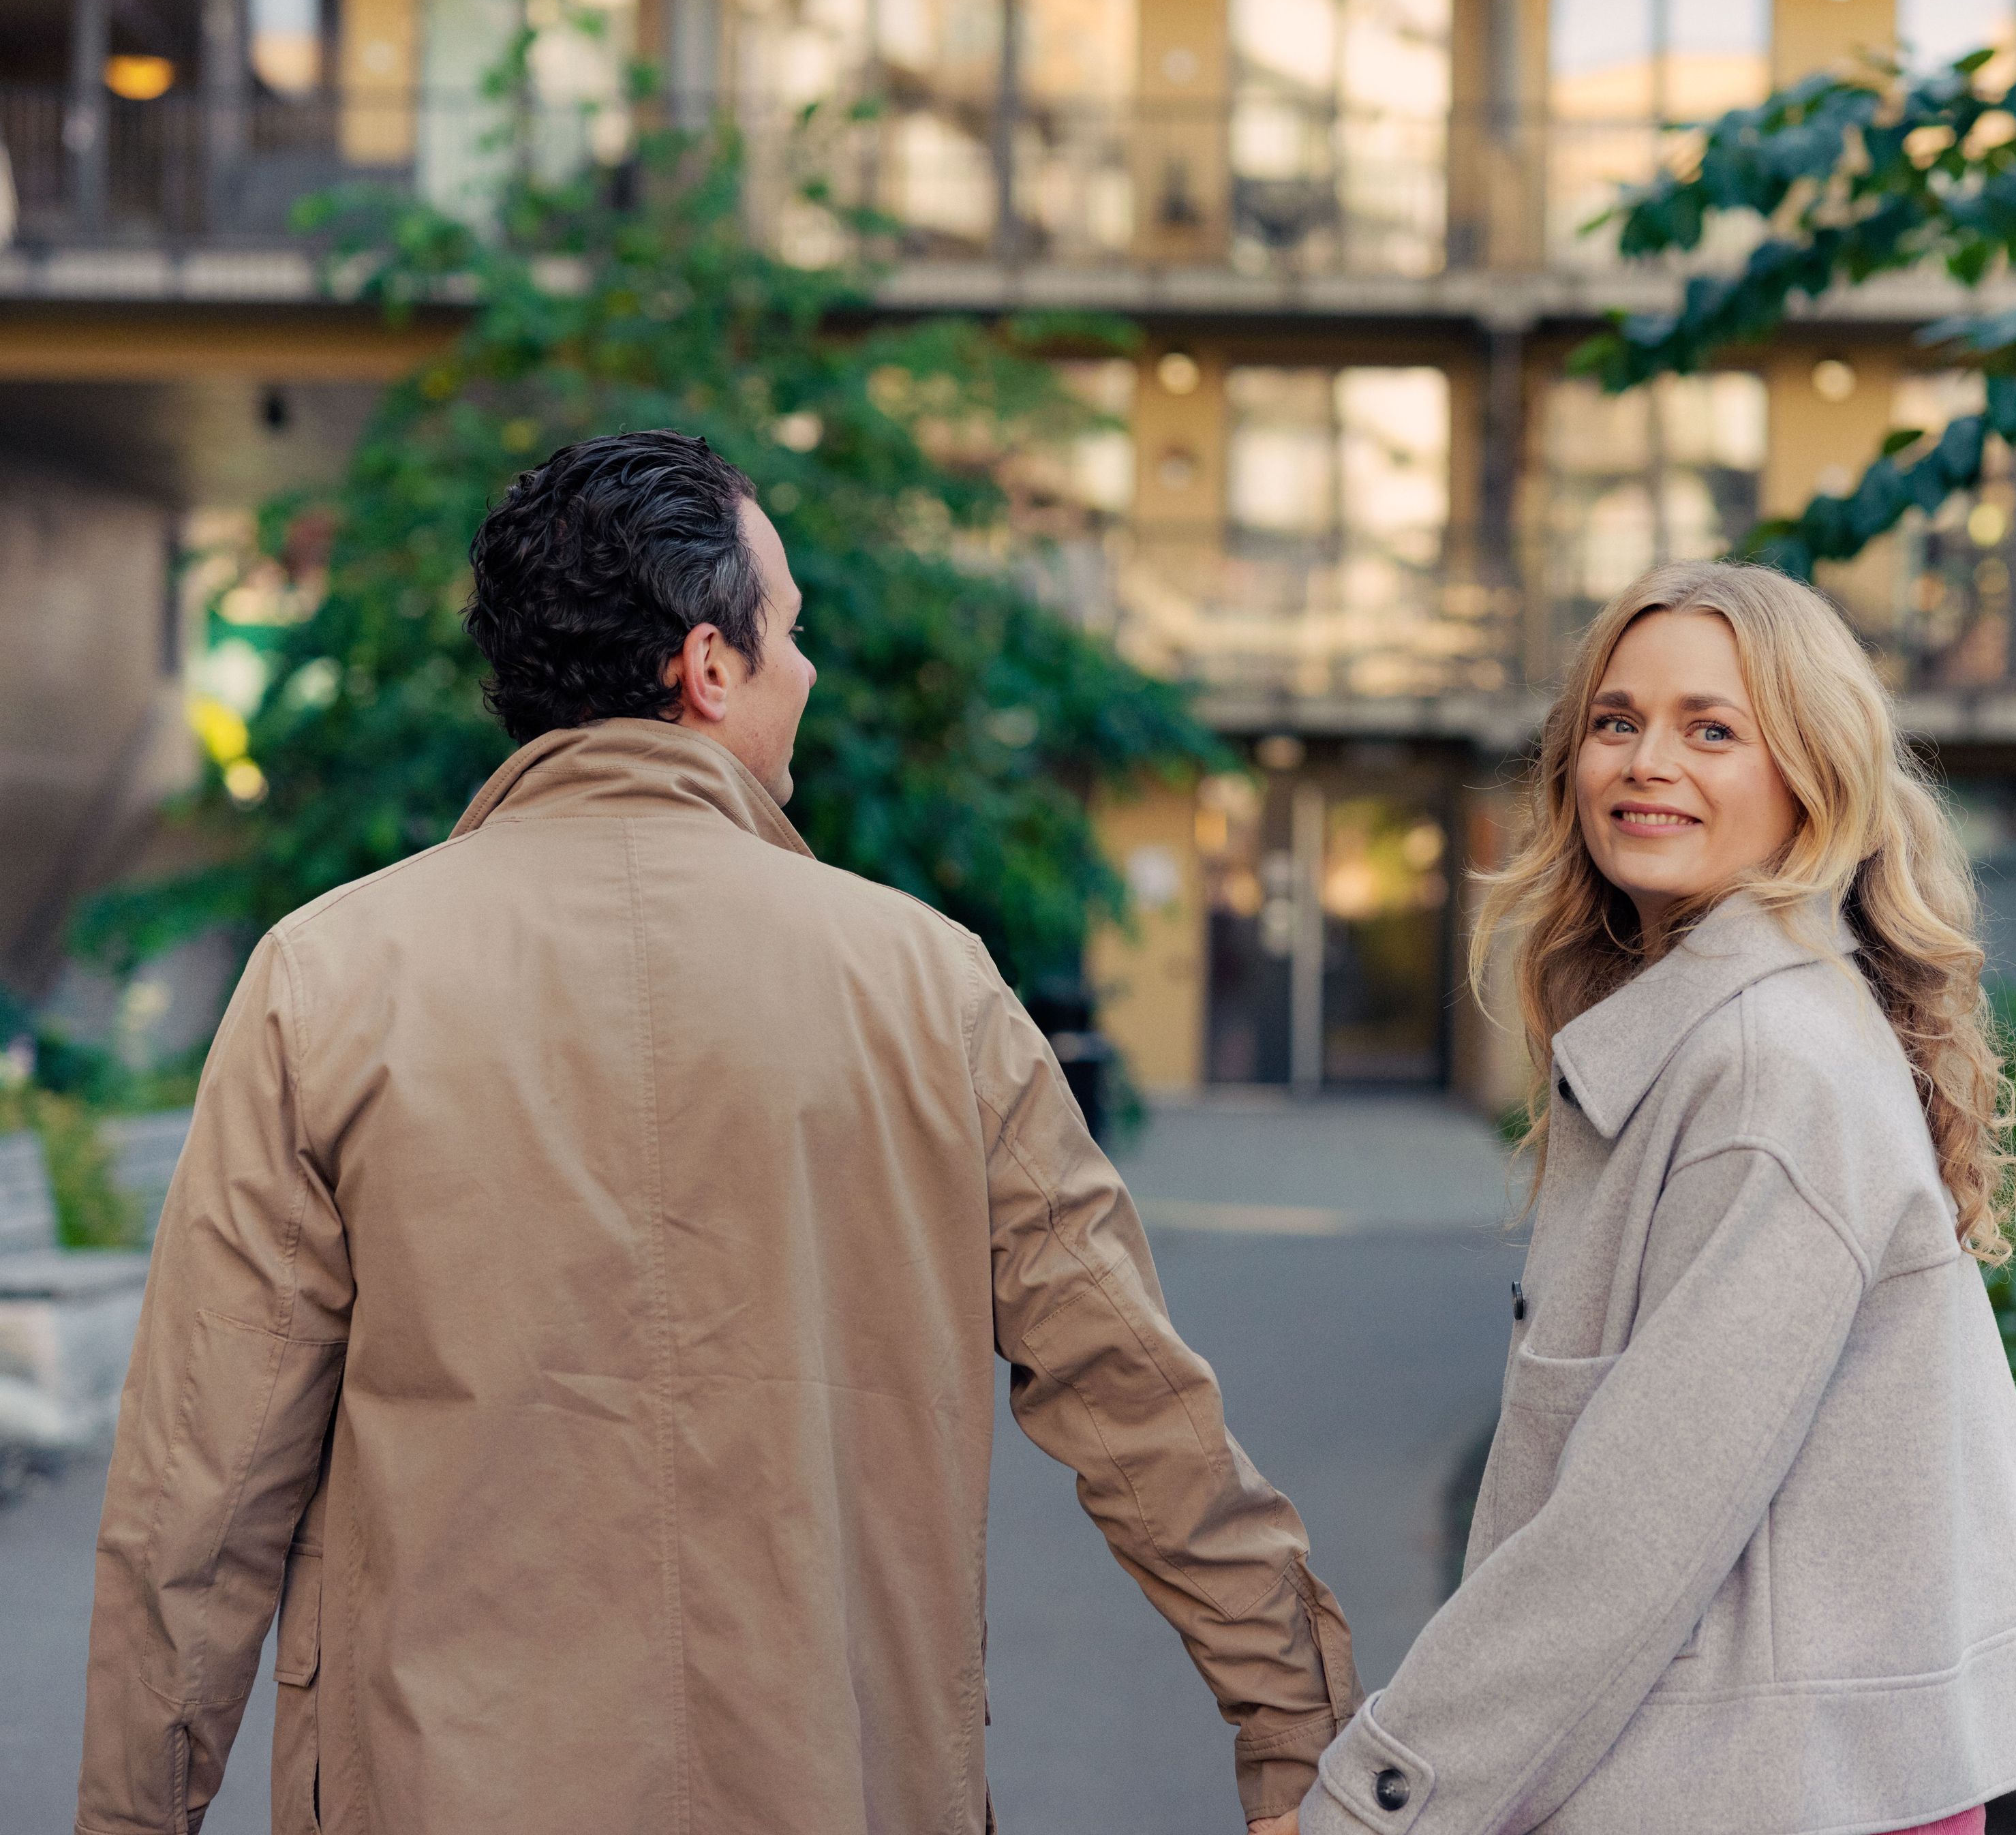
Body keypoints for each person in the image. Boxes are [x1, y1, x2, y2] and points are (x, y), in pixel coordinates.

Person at [78, 430, 1358, 1835]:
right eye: (790, 633)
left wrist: (133, 1815)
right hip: (838, 1784)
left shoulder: (327, 979)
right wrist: (1302, 1731)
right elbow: (1136, 1403)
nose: (807, 673)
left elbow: (195, 1502)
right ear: (708, 666)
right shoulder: (930, 985)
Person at [1298, 560, 2016, 1835]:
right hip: (1772, 1770)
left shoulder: (1765, 1067)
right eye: (1617, 722)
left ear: (1810, 777)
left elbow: (1633, 1532)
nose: (1646, 760)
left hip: (1773, 1790)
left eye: (1712, 729)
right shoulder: (1724, 1026)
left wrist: (1382, 1802)